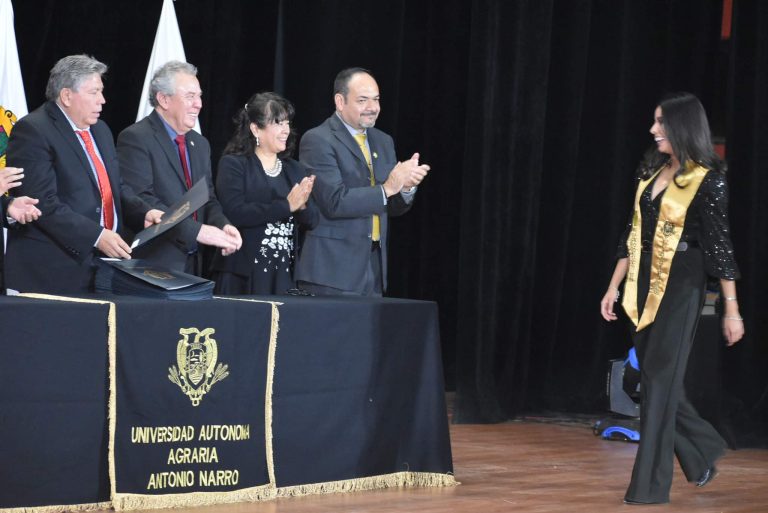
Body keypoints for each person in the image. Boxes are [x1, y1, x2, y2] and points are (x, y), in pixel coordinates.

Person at [600, 92, 744, 505]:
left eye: (660, 122)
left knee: (660, 382)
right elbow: (631, 232)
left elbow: (720, 248)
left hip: (682, 281)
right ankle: (703, 450)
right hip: (641, 279)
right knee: (653, 379)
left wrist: (731, 310)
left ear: (681, 125)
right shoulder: (651, 168)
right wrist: (613, 285)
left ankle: (649, 486)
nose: (653, 130)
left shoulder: (709, 178)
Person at [4, 55, 162, 295]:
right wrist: (96, 236)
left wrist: (144, 212)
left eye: (101, 92)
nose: (102, 100)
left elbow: (114, 187)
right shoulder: (33, 131)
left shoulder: (100, 130)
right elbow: (42, 203)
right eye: (94, 92)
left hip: (101, 268)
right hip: (51, 272)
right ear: (67, 96)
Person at [296, 67, 430, 296]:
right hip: (331, 270)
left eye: (376, 99)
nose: (372, 107)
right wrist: (387, 188)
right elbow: (334, 202)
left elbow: (390, 206)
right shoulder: (318, 139)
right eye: (362, 100)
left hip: (373, 267)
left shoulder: (384, 141)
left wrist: (405, 188)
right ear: (340, 101)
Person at [117, 60, 241, 275]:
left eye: (199, 96)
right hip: (152, 265)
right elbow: (141, 200)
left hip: (193, 265)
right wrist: (197, 231)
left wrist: (222, 225)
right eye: (190, 96)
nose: (198, 104)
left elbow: (207, 197)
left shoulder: (200, 144)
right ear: (164, 99)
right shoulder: (136, 138)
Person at [210, 92, 318, 295]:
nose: (286, 130)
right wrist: (287, 206)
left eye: (287, 123)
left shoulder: (294, 169)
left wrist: (302, 204)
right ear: (255, 129)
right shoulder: (233, 164)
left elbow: (312, 221)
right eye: (278, 123)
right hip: (242, 275)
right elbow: (235, 212)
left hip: (283, 276)